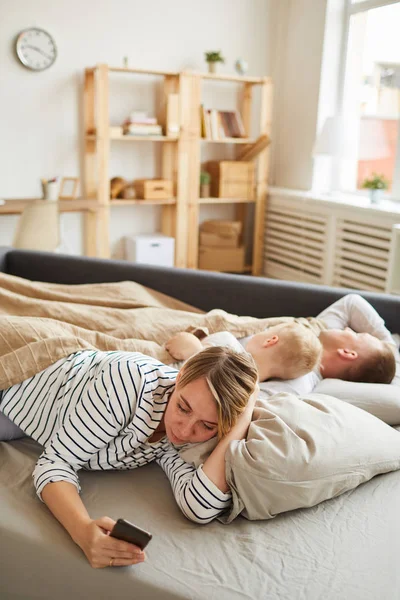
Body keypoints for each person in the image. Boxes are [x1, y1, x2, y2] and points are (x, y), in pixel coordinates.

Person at [0, 346, 258, 569]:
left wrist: (241, 421)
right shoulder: (128, 385)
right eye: (182, 407)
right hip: (19, 389)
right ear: (179, 378)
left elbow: (201, 506)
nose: (184, 430)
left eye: (207, 426)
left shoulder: (181, 438)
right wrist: (83, 531)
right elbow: (55, 463)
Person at [166, 321, 323, 383]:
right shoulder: (248, 390)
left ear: (270, 341)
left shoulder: (226, 342)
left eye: (267, 330)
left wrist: (193, 348)